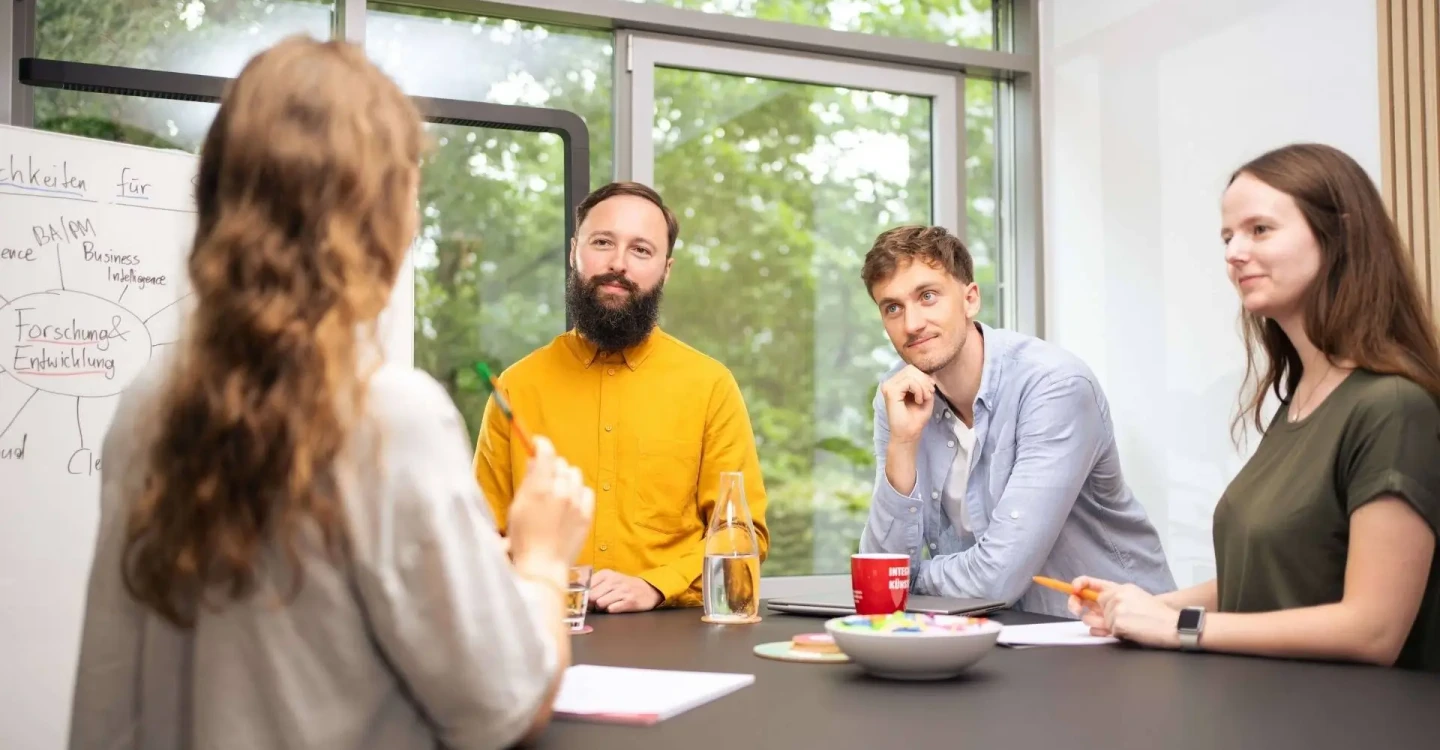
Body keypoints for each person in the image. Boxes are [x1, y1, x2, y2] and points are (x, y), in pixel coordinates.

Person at [67, 37, 595, 750]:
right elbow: (505, 708)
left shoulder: (148, 406)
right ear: (382, 212)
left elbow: (106, 698)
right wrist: (543, 558)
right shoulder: (390, 416)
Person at [1069, 143, 1440, 670]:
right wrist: (1148, 606)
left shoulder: (1393, 407)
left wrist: (1178, 626)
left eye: (1259, 230)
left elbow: (1372, 629)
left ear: (1339, 236)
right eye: (1228, 237)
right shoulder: (1302, 401)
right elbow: (1280, 576)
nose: (1234, 253)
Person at [474, 181, 768, 613]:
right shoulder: (515, 388)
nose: (618, 263)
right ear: (574, 251)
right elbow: (479, 539)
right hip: (543, 627)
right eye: (602, 242)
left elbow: (742, 534)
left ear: (666, 269)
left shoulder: (711, 386)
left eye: (641, 250)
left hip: (673, 636)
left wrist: (655, 584)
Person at [858, 225, 1174, 617]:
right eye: (892, 308)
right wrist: (903, 445)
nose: (911, 324)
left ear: (970, 299)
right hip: (997, 633)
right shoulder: (899, 394)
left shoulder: (1054, 386)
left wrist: (910, 580)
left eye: (928, 296)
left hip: (1114, 631)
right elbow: (877, 578)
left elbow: (996, 580)